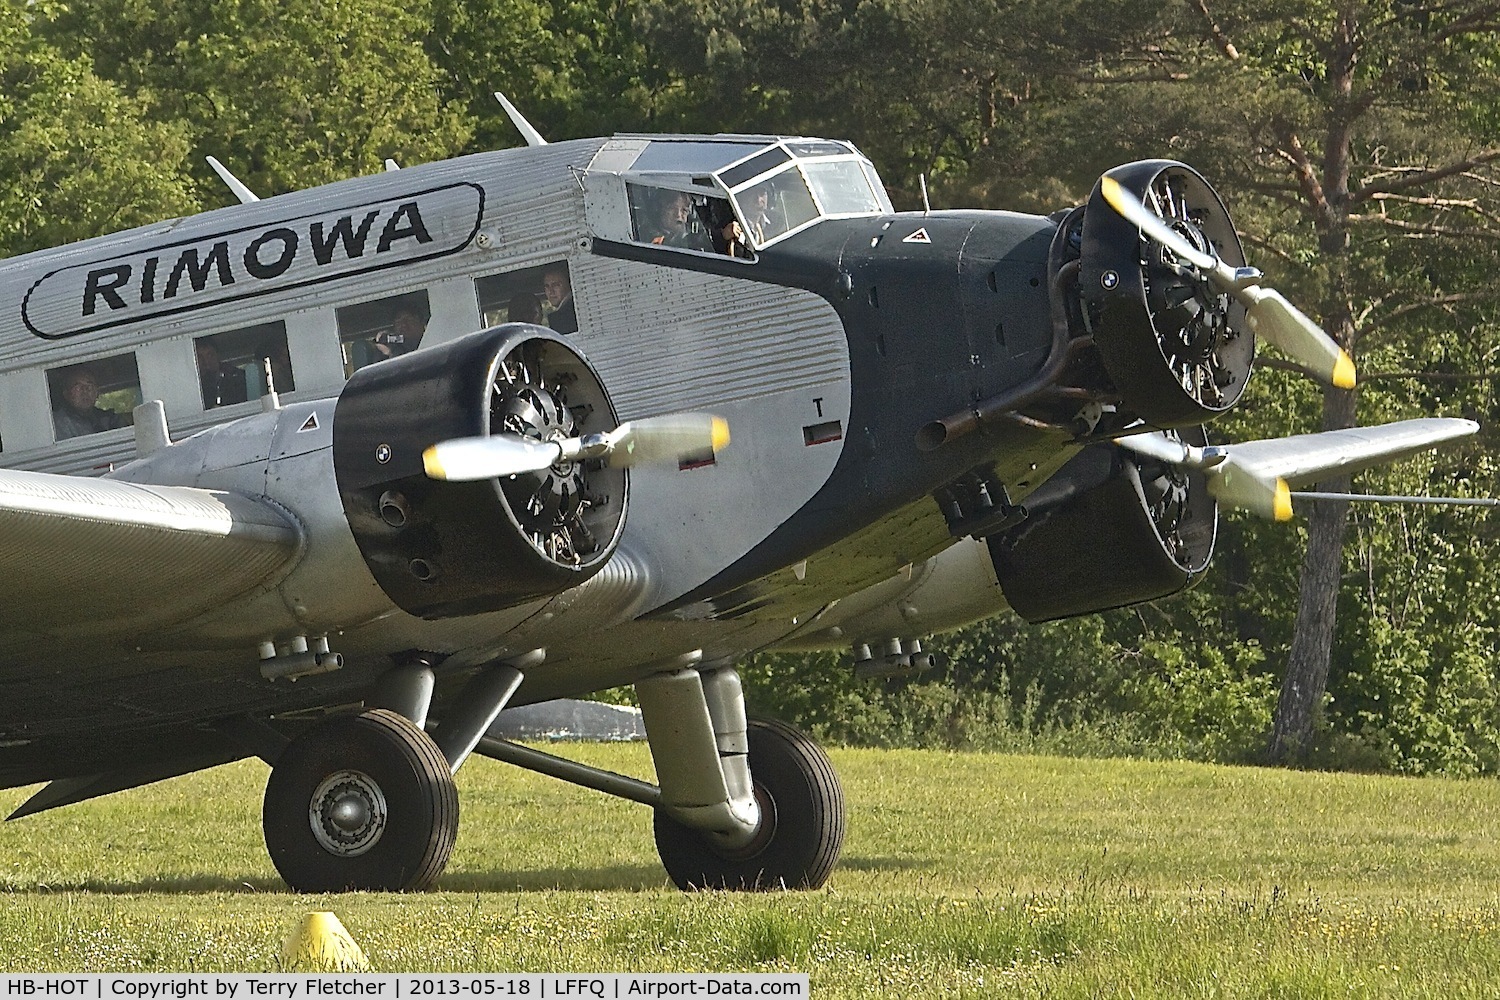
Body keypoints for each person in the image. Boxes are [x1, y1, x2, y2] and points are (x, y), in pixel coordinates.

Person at [53, 367, 126, 440]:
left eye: (89, 387)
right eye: (78, 387)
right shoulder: (57, 423)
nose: (85, 391)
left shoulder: (110, 419)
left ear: (97, 393)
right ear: (66, 394)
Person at [646, 191, 713, 251]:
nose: (678, 215)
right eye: (672, 208)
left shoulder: (696, 241)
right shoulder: (645, 237)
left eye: (684, 210)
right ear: (659, 209)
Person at [541, 269, 578, 334]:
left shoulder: (561, 317)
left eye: (556, 285)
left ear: (568, 284)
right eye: (547, 286)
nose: (551, 291)